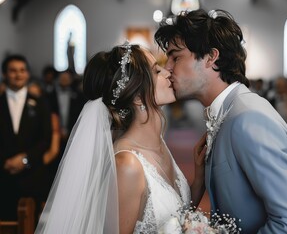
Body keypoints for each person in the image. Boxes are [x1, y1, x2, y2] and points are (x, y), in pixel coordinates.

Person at [155, 8, 287, 233]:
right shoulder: (229, 112)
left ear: (211, 57)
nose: (167, 68)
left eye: (176, 57)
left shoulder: (249, 119)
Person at [35, 42, 206, 233]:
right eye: (157, 71)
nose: (168, 72)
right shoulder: (127, 164)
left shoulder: (158, 144)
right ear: (137, 98)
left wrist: (198, 180)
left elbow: (175, 219)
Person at [0, 54, 52, 221]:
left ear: (28, 74)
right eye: (13, 71)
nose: (18, 74)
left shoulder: (41, 103)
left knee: (31, 224)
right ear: (5, 74)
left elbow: (46, 139)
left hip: (32, 177)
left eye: (22, 70)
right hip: (3, 176)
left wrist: (24, 159)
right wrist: (6, 162)